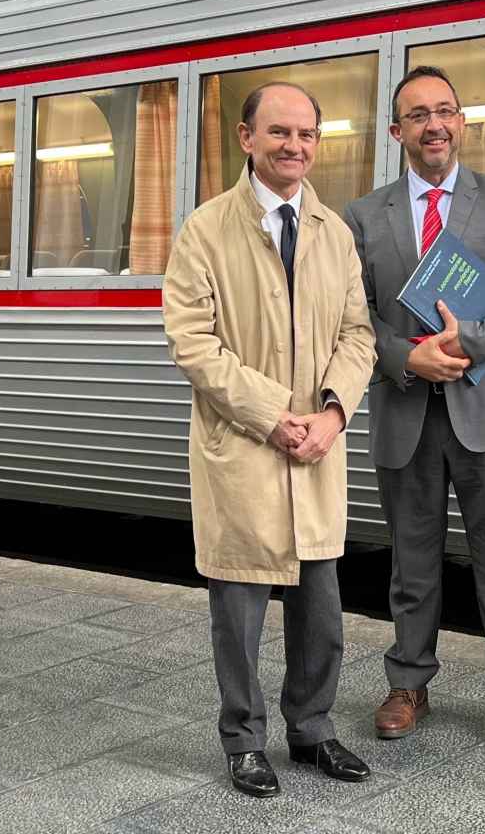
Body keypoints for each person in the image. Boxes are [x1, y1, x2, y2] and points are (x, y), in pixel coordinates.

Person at [162, 81, 377, 797]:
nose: (295, 146)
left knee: (322, 611)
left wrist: (332, 412)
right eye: (279, 132)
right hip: (247, 448)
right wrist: (270, 413)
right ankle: (243, 741)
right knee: (240, 614)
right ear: (246, 138)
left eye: (307, 135)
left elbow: (356, 334)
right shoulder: (206, 230)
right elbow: (192, 343)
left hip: (315, 446)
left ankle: (312, 730)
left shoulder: (333, 232)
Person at [341, 66, 485, 753]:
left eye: (446, 111)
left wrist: (467, 340)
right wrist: (408, 360)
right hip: (406, 412)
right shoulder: (363, 216)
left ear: (460, 122)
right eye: (418, 114)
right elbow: (350, 317)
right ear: (396, 130)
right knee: (411, 562)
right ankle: (408, 681)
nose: (435, 124)